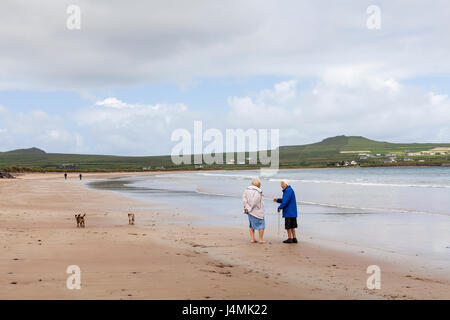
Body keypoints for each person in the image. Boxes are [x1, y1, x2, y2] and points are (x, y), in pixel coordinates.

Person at [243, 177, 265, 244]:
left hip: (249, 211)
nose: (260, 184)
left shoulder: (246, 190)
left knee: (251, 225)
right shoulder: (258, 191)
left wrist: (247, 207)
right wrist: (250, 208)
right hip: (257, 210)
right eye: (259, 183)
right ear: (257, 183)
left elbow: (244, 200)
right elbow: (255, 201)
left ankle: (252, 239)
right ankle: (260, 239)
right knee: (261, 224)